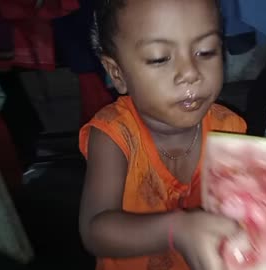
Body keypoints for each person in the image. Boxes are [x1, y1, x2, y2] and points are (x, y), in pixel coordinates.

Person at [78, 0, 247, 269]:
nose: (190, 73)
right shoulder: (114, 134)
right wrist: (176, 230)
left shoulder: (230, 129)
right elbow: (95, 230)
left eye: (206, 52)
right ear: (117, 73)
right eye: (159, 58)